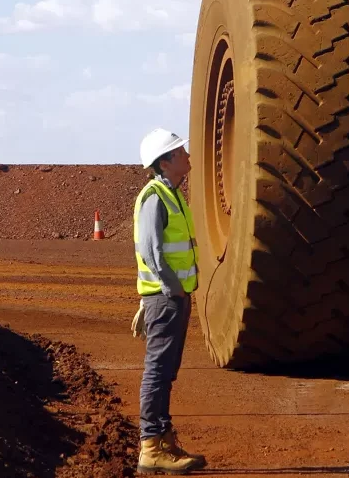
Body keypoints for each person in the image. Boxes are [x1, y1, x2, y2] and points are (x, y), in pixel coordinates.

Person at [132, 128, 206, 474]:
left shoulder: (172, 194)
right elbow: (151, 250)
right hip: (166, 299)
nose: (188, 157)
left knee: (166, 372)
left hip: (173, 297)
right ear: (166, 161)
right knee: (158, 372)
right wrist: (170, 287)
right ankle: (151, 447)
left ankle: (163, 440)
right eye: (181, 152)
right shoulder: (155, 197)